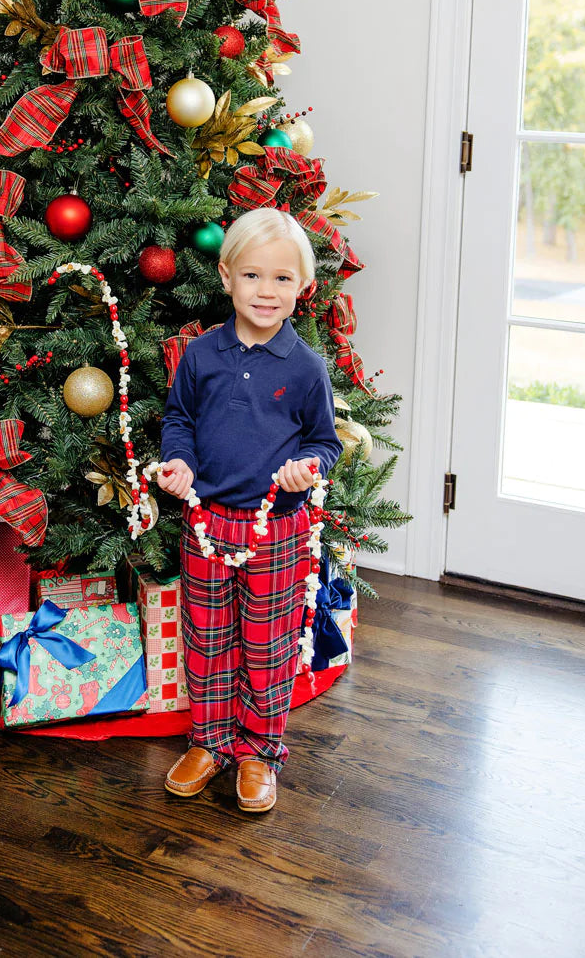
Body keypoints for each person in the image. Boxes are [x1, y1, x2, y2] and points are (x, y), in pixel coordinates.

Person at [157, 205, 341, 813]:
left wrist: (307, 467)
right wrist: (180, 463)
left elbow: (325, 443)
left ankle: (259, 750)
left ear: (302, 286)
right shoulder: (201, 355)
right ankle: (209, 741)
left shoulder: (307, 368)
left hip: (277, 528)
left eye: (282, 278)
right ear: (226, 277)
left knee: (267, 643)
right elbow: (179, 420)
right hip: (207, 522)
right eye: (253, 275)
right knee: (207, 637)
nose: (266, 291)